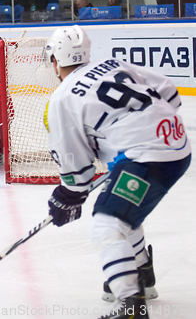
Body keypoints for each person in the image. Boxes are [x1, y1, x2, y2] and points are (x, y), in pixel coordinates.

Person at [43, 25, 191, 319]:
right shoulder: (113, 64)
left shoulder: (62, 97)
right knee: (122, 213)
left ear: (55, 60)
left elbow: (74, 160)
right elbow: (169, 92)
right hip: (178, 145)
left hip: (149, 159)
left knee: (106, 225)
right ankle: (142, 275)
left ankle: (131, 308)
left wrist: (68, 195)